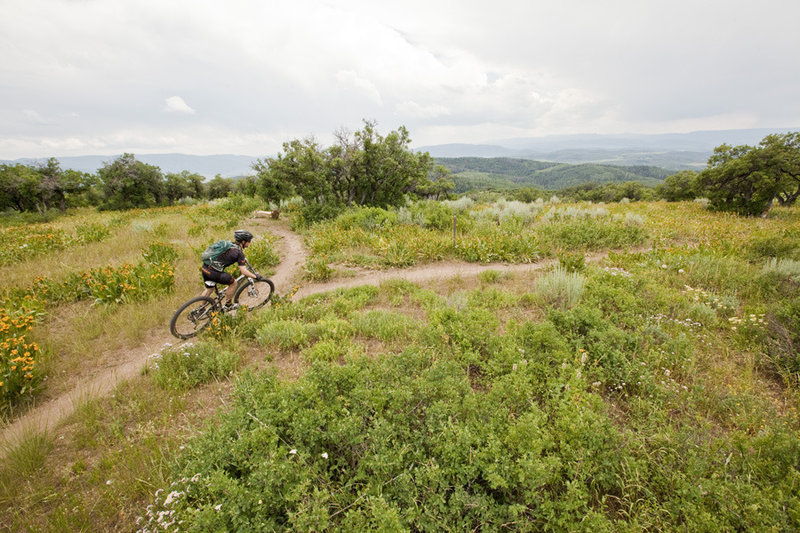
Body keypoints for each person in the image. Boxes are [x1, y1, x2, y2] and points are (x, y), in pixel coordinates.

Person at [200, 229, 261, 309]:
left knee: (210, 289)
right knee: (233, 283)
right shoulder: (239, 253)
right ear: (243, 241)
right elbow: (244, 271)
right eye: (249, 241)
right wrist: (255, 276)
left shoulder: (229, 245)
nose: (249, 243)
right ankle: (228, 305)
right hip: (213, 272)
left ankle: (200, 309)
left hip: (205, 268)